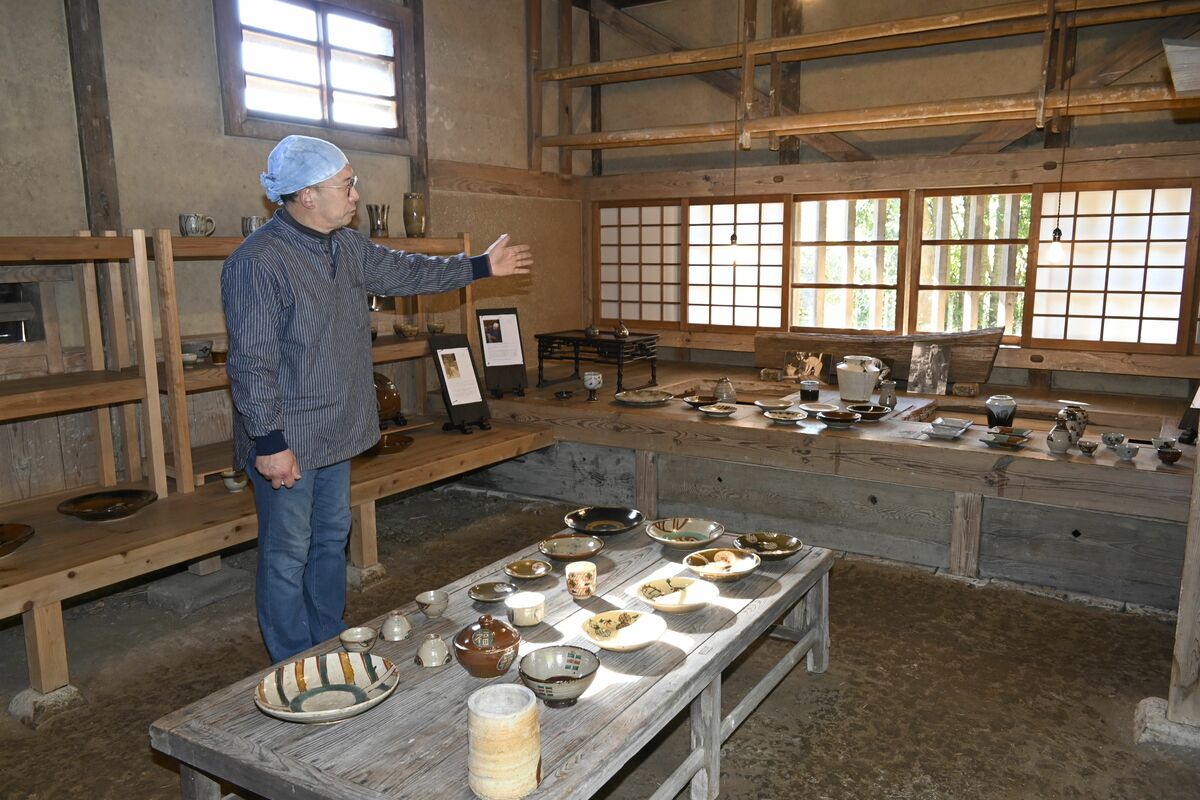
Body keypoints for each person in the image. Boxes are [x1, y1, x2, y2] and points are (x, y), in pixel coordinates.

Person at [221, 135, 532, 662]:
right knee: (286, 552)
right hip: (288, 437)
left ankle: (327, 634)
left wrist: (477, 267)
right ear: (306, 195)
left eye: (353, 183)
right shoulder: (258, 262)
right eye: (346, 185)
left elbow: (406, 271)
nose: (356, 194)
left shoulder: (346, 245)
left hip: (337, 427)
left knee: (328, 540)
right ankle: (295, 658)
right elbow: (251, 362)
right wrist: (269, 442)